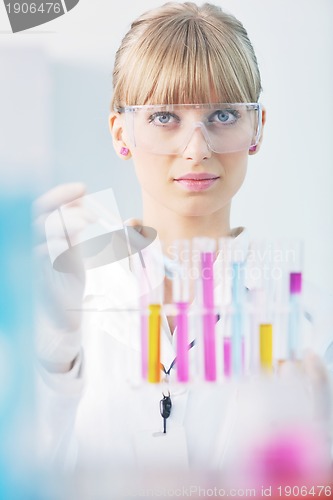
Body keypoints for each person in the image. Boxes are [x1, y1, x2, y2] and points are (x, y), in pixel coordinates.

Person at [34, 1, 332, 486]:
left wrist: (307, 458)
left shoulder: (313, 321)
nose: (196, 148)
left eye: (222, 114)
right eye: (165, 116)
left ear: (257, 127)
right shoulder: (72, 301)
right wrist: (50, 361)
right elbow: (29, 477)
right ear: (121, 132)